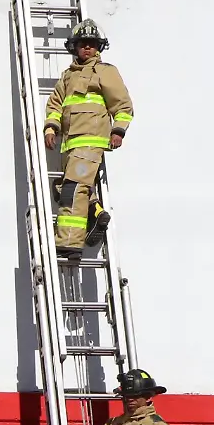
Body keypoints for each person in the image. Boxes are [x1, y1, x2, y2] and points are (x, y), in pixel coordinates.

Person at [41, 18, 133, 253]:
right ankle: (97, 214)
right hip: (70, 147)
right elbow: (55, 104)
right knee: (64, 188)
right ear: (75, 46)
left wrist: (118, 131)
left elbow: (122, 105)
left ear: (98, 47)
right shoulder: (68, 76)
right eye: (83, 43)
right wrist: (51, 128)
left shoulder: (105, 72)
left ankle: (68, 243)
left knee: (72, 190)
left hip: (90, 145)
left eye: (92, 43)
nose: (87, 47)